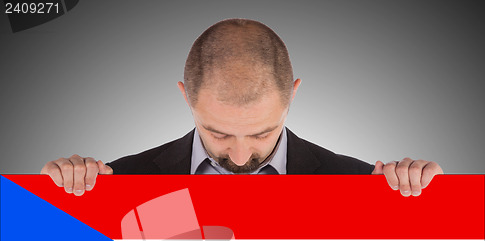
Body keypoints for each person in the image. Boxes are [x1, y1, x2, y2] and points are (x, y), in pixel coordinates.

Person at [41, 18, 443, 196]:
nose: (238, 157)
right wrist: (56, 197)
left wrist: (426, 197)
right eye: (217, 132)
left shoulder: (361, 187)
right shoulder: (119, 184)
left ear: (292, 96)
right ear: (186, 96)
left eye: (261, 133)